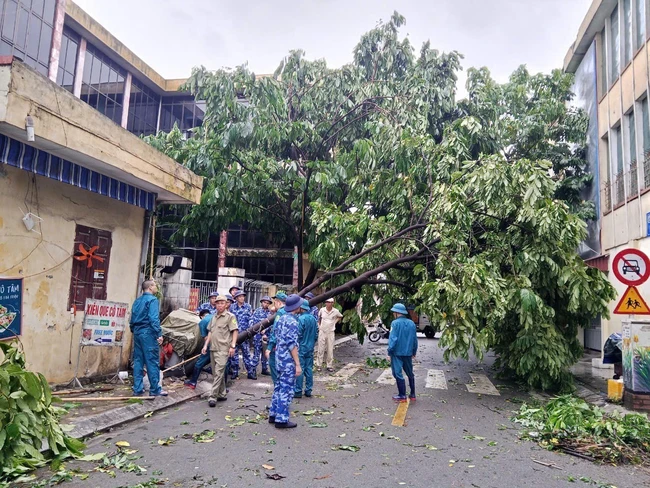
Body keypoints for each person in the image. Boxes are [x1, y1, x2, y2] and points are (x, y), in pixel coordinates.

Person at [268, 294, 303, 429]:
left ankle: (273, 413)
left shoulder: (281, 318)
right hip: (288, 360)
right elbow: (291, 345)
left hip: (279, 358)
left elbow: (276, 336)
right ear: (297, 307)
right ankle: (281, 419)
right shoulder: (292, 322)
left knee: (278, 386)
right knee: (286, 389)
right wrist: (297, 364)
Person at [130, 280, 168, 397]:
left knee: (138, 361)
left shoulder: (137, 301)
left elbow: (132, 319)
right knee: (152, 361)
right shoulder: (152, 300)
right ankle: (155, 389)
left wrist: (134, 330)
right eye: (155, 285)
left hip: (137, 332)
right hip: (148, 332)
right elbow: (153, 319)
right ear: (150, 287)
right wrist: (158, 334)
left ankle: (137, 388)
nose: (156, 287)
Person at [201, 295, 238, 407]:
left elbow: (235, 331)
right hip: (213, 348)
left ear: (226, 304)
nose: (220, 305)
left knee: (218, 372)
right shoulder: (213, 317)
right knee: (216, 372)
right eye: (218, 303)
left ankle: (213, 396)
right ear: (215, 304)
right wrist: (205, 345)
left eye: (222, 303)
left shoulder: (230, 316)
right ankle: (222, 393)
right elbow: (210, 332)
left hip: (223, 349)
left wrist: (232, 346)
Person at [387, 303, 418, 402]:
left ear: (396, 313)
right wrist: (414, 351)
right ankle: (412, 394)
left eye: (393, 312)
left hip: (397, 353)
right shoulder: (412, 323)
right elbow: (414, 339)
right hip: (408, 352)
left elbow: (393, 339)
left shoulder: (394, 323)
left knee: (397, 373)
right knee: (410, 373)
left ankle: (402, 395)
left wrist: (389, 351)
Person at [229, 290, 256, 379]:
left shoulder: (248, 307)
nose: (242, 298)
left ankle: (250, 372)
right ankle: (235, 372)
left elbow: (251, 319)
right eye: (240, 296)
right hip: (234, 335)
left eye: (243, 296)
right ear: (236, 298)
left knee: (247, 354)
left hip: (244, 334)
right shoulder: (232, 307)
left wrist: (249, 330)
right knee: (234, 355)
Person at [294, 299, 318, 398]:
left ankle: (298, 391)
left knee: (300, 368)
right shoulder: (313, 319)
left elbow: (298, 334)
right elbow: (316, 334)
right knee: (309, 369)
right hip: (310, 347)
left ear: (302, 308)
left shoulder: (300, 319)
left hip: (301, 347)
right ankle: (308, 390)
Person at [185, 310, 212, 389]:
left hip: (211, 344)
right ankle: (223, 387)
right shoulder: (215, 317)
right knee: (222, 365)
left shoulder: (203, 321)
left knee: (199, 363)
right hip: (222, 345)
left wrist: (205, 346)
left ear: (201, 316)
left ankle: (193, 382)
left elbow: (205, 337)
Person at [265, 292, 287, 384]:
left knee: (273, 366)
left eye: (275, 302)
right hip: (287, 346)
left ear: (278, 302)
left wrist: (269, 347)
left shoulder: (280, 312)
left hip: (277, 346)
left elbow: (275, 330)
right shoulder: (289, 311)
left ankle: (278, 389)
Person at [316, 298, 343, 372]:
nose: (328, 303)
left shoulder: (335, 311)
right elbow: (319, 318)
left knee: (330, 349)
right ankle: (319, 365)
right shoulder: (322, 310)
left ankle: (329, 365)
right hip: (322, 331)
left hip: (331, 332)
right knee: (320, 348)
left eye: (330, 302)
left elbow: (340, 316)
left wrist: (334, 322)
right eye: (327, 302)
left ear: (333, 303)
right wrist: (319, 326)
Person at [252, 296, 273, 376]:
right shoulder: (257, 311)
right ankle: (253, 370)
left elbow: (272, 324)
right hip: (257, 336)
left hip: (266, 336)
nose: (266, 304)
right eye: (264, 302)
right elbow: (253, 322)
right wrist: (260, 330)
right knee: (256, 354)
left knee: (265, 354)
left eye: (268, 303)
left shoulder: (270, 313)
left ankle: (264, 369)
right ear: (261, 302)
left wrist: (266, 330)